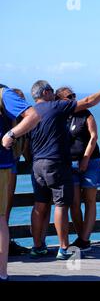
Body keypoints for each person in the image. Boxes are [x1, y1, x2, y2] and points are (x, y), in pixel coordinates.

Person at [29, 80, 100, 261]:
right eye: (67, 97)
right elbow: (89, 100)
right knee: (62, 205)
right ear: (47, 93)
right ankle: (64, 248)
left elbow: (24, 136)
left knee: (40, 204)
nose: (72, 100)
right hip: (56, 164)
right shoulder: (56, 109)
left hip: (37, 164)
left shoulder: (31, 113)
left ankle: (38, 247)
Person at [0, 83, 40, 281]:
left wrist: (10, 135)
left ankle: (2, 269)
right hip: (7, 165)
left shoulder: (5, 97)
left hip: (5, 165)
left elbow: (32, 117)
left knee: (1, 217)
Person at [55, 87, 100, 252]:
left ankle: (83, 239)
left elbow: (94, 136)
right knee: (74, 203)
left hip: (91, 161)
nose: (74, 98)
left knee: (90, 200)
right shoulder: (59, 116)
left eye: (74, 95)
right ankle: (82, 237)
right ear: (60, 100)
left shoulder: (86, 113)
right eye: (69, 96)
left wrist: (85, 159)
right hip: (69, 164)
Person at [5, 89, 32, 256]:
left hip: (12, 165)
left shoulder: (23, 126)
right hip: (7, 164)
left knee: (6, 207)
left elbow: (26, 150)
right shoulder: (8, 122)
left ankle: (5, 243)